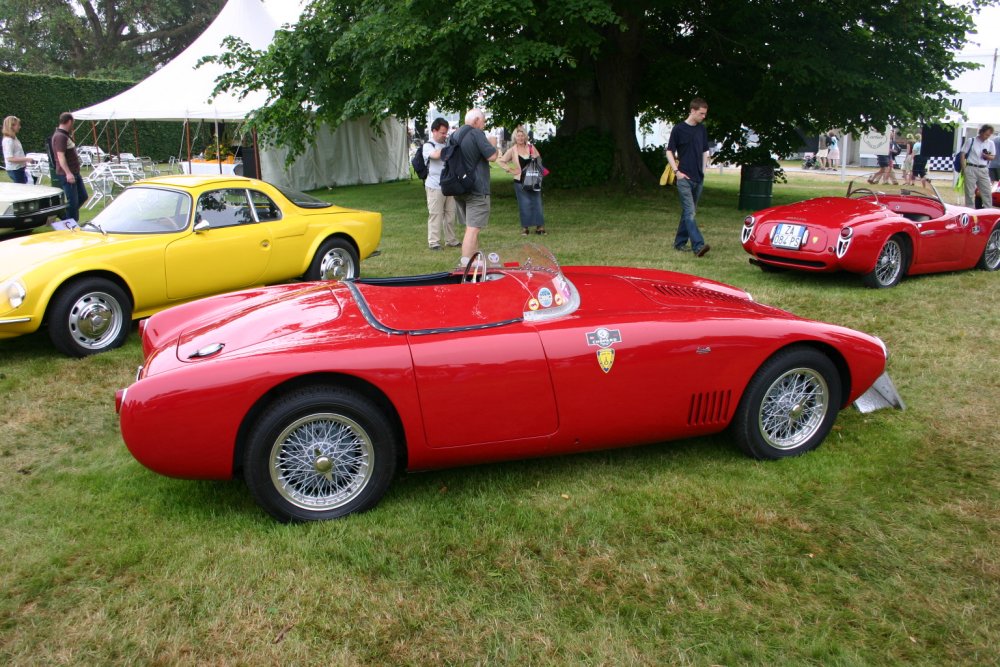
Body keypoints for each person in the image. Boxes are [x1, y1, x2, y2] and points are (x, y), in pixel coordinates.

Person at [452, 108, 498, 266]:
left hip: (459, 187)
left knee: (470, 227)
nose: (483, 125)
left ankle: (476, 260)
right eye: (483, 121)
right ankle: (466, 265)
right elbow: (492, 156)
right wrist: (493, 144)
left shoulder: (455, 135)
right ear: (477, 120)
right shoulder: (476, 133)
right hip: (477, 188)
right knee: (473, 229)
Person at [666, 97, 711, 256]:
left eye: (705, 114)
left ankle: (679, 243)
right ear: (692, 111)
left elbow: (705, 151)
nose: (703, 116)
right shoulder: (678, 129)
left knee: (687, 211)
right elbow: (669, 150)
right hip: (684, 177)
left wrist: (704, 170)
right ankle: (698, 246)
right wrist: (677, 172)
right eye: (701, 113)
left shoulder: (701, 129)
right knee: (690, 212)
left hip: (699, 178)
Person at [498, 126, 545, 235]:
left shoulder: (531, 147)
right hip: (519, 181)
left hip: (533, 179)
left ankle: (540, 227)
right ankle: (525, 228)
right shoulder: (512, 149)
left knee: (536, 203)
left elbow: (539, 160)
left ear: (525, 136)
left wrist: (535, 157)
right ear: (515, 137)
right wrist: (510, 169)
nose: (520, 137)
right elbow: (501, 161)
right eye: (518, 136)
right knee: (524, 204)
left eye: (522, 135)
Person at [422, 117, 460, 251]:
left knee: (450, 214)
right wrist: (450, 148)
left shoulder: (446, 144)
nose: (444, 135)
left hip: (449, 185)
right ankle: (434, 242)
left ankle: (451, 240)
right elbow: (436, 155)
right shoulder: (428, 146)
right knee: (436, 215)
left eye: (446, 133)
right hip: (434, 186)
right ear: (434, 131)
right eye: (442, 132)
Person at [49, 112, 88, 221]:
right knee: (73, 201)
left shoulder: (64, 135)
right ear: (70, 121)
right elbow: (60, 156)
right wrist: (68, 173)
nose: (73, 125)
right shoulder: (60, 136)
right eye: (73, 123)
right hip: (67, 174)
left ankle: (66, 217)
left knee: (83, 196)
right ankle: (71, 224)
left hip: (75, 172)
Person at [960, 124, 995, 209]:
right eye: (986, 134)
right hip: (971, 167)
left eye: (989, 135)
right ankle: (970, 211)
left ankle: (988, 211)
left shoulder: (990, 143)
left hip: (983, 168)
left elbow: (993, 156)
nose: (987, 137)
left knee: (986, 192)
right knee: (969, 193)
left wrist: (987, 156)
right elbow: (962, 154)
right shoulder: (971, 140)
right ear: (981, 132)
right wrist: (964, 168)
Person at [3, 116, 34, 184]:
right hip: (15, 169)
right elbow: (10, 158)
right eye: (18, 125)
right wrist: (27, 159)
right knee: (21, 189)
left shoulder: (14, 138)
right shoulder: (8, 140)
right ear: (12, 126)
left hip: (19, 168)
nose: (19, 127)